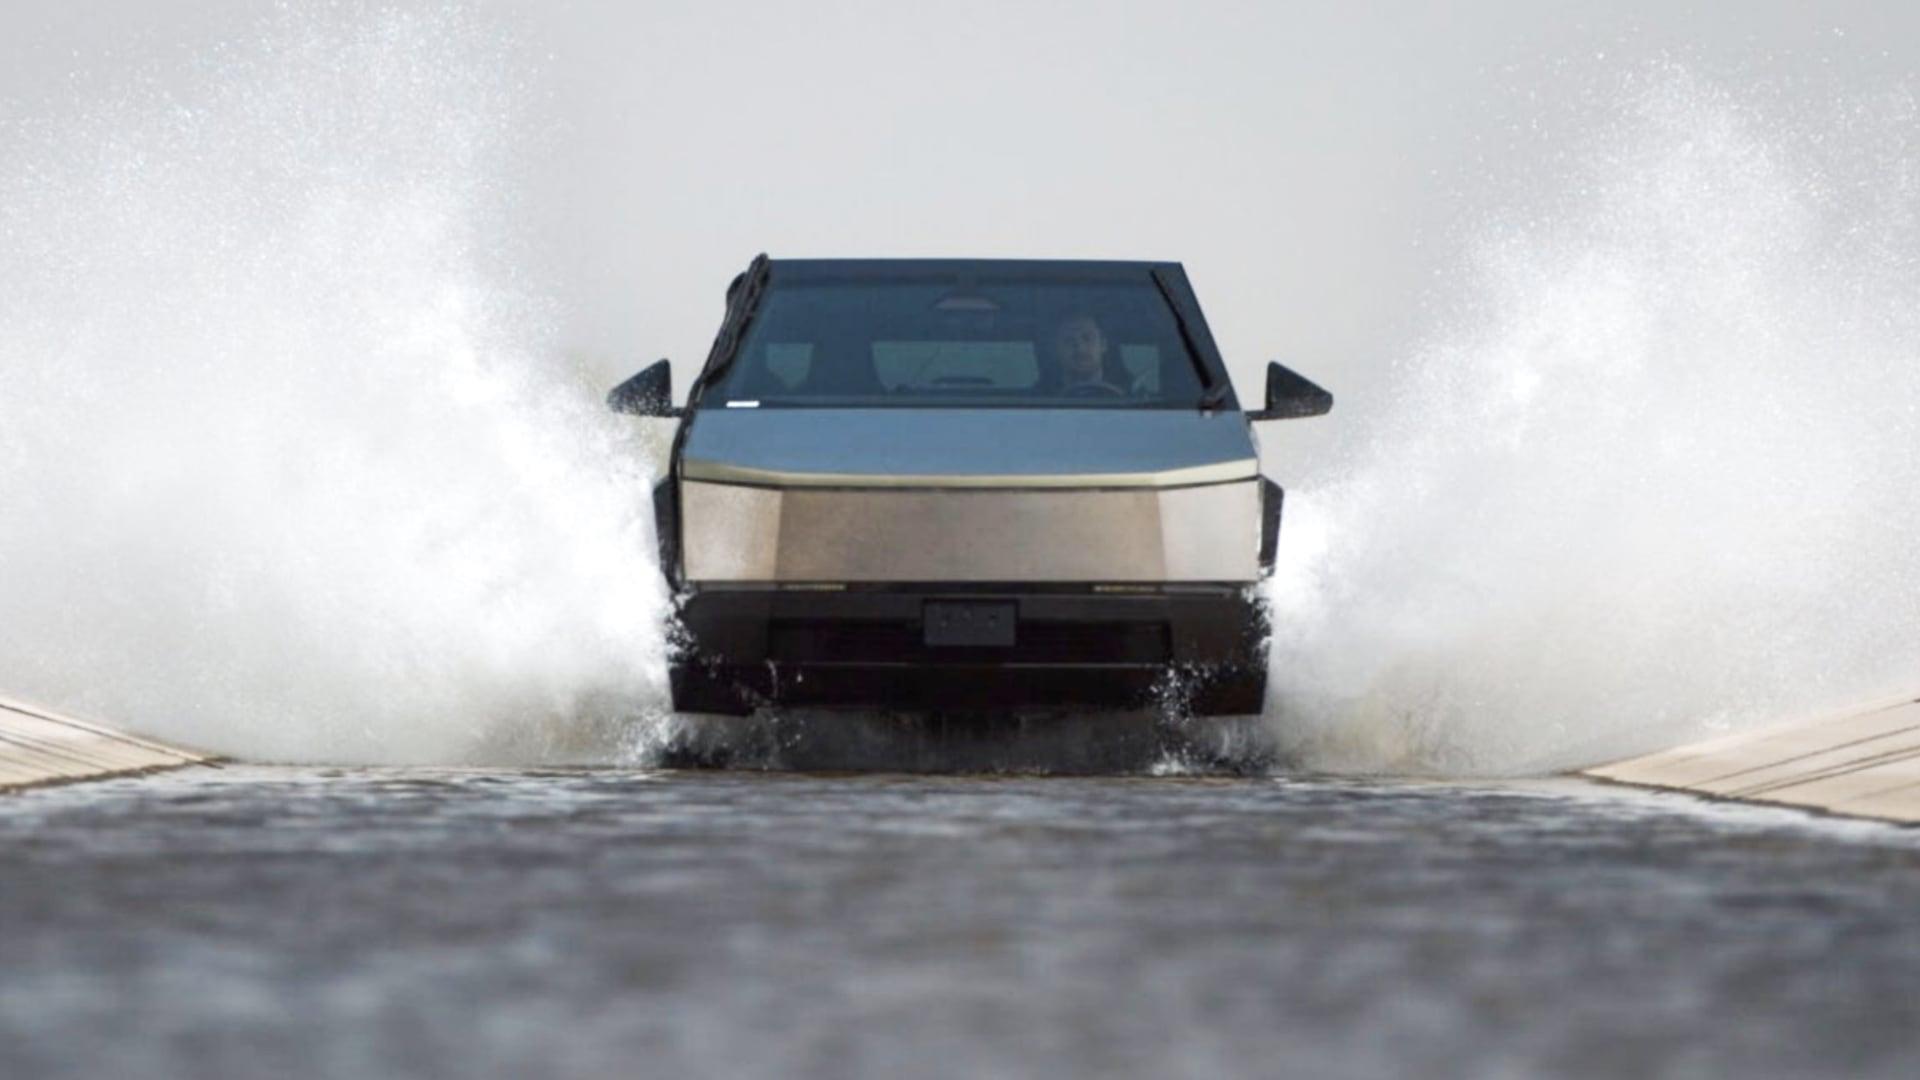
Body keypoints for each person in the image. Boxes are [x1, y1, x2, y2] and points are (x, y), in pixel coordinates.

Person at [1048, 314, 1128, 395]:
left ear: (1103, 344)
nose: (1080, 348)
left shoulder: (1132, 393)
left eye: (1087, 338)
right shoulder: (1041, 397)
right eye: (1069, 340)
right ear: (1056, 350)